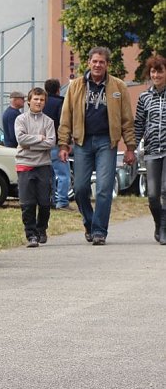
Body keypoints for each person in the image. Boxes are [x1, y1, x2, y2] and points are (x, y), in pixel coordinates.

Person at [58, 47, 136, 245]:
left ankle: (99, 231)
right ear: (88, 63)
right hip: (82, 142)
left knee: (104, 188)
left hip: (106, 142)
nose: (98, 65)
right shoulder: (76, 86)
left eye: (102, 62)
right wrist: (63, 144)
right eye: (94, 61)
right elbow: (66, 116)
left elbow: (127, 119)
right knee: (80, 188)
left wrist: (130, 147)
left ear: (107, 64)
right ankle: (89, 222)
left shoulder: (118, 86)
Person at [14, 87, 55, 247]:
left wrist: (30, 145)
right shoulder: (21, 120)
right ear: (29, 101)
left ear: (45, 102)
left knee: (44, 202)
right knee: (27, 202)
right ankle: (31, 234)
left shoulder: (49, 122)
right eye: (36, 99)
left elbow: (50, 143)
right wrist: (39, 138)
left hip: (43, 165)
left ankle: (41, 229)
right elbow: (21, 139)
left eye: (42, 100)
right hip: (25, 164)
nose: (38, 102)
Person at [133, 54, 166, 244]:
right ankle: (158, 223)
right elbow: (139, 124)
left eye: (160, 71)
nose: (156, 75)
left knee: (165, 190)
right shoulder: (144, 97)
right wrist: (133, 147)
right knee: (153, 195)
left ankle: (164, 229)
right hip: (152, 150)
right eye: (153, 71)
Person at [44, 78, 71, 209]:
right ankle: (62, 201)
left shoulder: (41, 103)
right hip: (56, 143)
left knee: (48, 174)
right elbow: (63, 123)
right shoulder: (61, 103)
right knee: (63, 174)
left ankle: (50, 200)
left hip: (43, 144)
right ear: (58, 89)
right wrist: (65, 143)